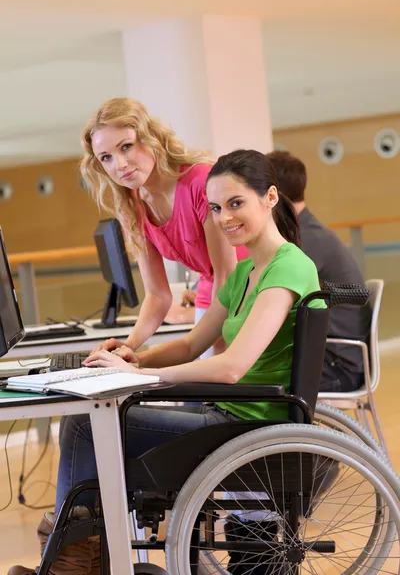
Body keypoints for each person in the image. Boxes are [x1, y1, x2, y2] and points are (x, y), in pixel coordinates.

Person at [10, 150, 325, 575]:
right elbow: (194, 342)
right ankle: (78, 553)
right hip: (227, 413)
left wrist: (143, 376)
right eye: (215, 208)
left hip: (248, 424)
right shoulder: (246, 270)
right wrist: (134, 356)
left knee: (86, 424)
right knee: (95, 418)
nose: (224, 218)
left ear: (270, 197)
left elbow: (232, 367)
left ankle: (73, 561)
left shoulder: (288, 268)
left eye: (236, 203)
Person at [80, 97, 248, 359]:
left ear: (150, 138)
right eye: (106, 158)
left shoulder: (200, 181)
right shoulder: (132, 206)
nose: (119, 164)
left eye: (126, 146)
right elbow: (158, 295)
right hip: (213, 288)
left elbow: (228, 276)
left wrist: (207, 346)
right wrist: (128, 346)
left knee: (209, 376)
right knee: (197, 384)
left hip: (252, 286)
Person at [267, 150, 372, 393]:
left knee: (249, 381)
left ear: (274, 194)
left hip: (336, 366)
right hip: (334, 358)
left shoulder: (306, 241)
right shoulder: (306, 233)